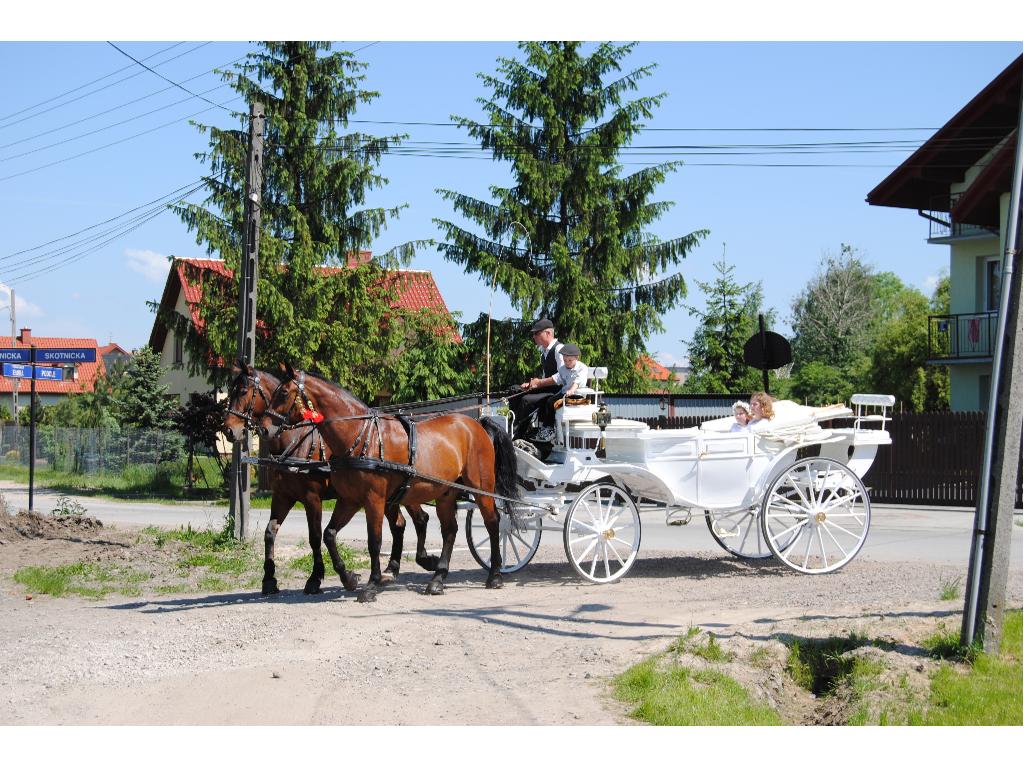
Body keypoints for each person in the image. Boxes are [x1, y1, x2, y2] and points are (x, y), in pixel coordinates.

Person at [510, 318, 563, 440]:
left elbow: (561, 377)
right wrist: (532, 384)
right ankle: (513, 423)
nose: (534, 336)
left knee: (527, 400)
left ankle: (517, 434)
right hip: (547, 388)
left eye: (537, 333)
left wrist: (539, 383)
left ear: (548, 333)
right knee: (514, 390)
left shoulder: (559, 349)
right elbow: (546, 376)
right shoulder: (543, 353)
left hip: (557, 392)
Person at [529, 343, 588, 442]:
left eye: (570, 360)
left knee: (552, 402)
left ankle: (550, 430)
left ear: (577, 358)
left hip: (577, 394)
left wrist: (572, 390)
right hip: (565, 393)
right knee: (548, 400)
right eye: (565, 360)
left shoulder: (582, 368)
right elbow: (555, 378)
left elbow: (577, 382)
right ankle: (547, 428)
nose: (567, 363)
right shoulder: (563, 369)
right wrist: (538, 383)